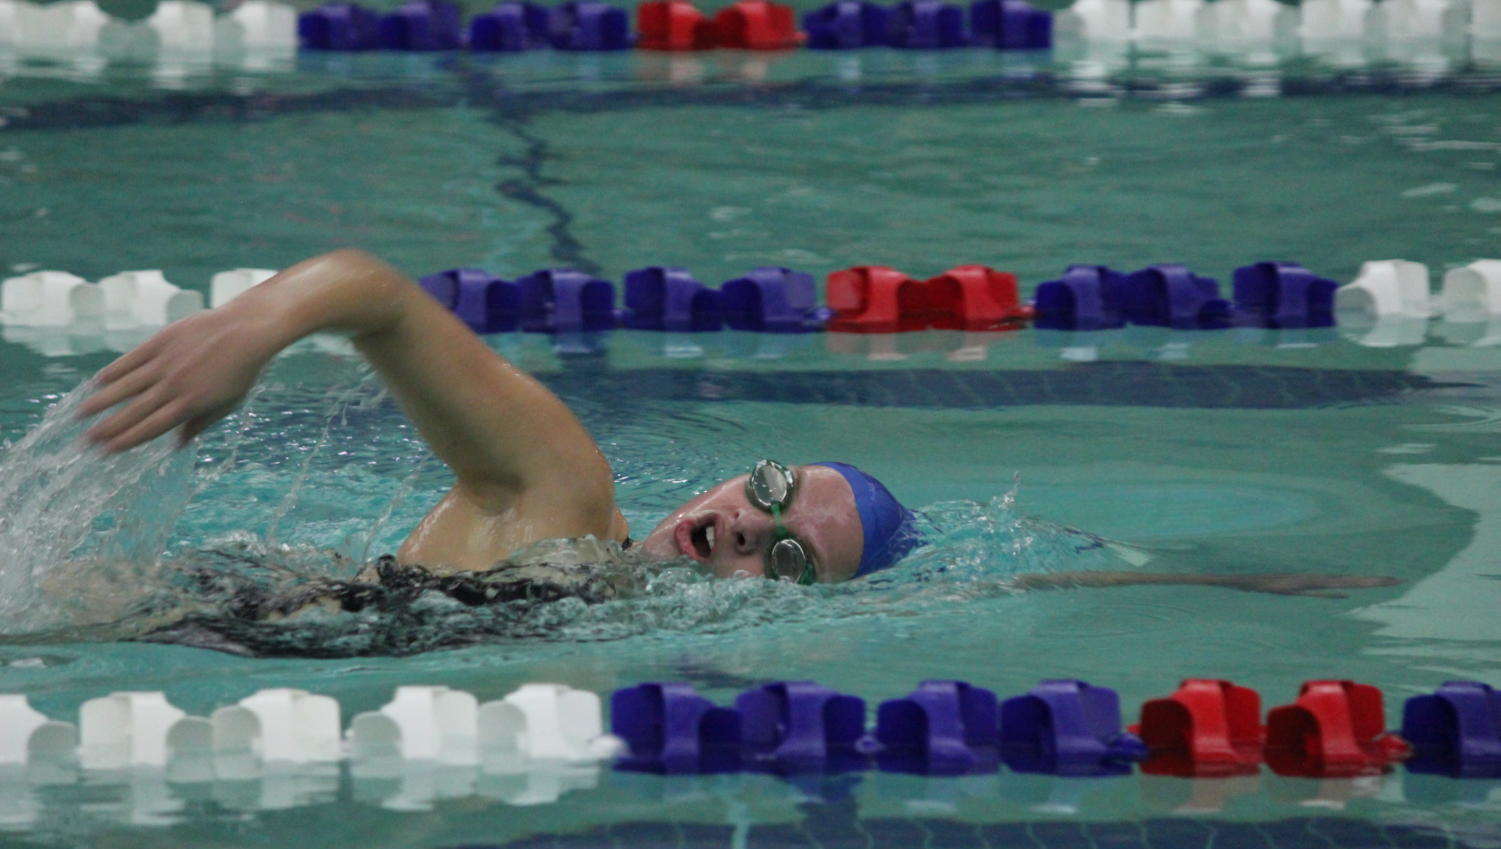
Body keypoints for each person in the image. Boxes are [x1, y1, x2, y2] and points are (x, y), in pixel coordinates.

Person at [78, 249, 1396, 601]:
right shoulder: (563, 499)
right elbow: (369, 288)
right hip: (155, 602)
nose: (731, 529)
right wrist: (253, 327)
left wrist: (1206, 579)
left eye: (782, 557)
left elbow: (962, 578)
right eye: (762, 494)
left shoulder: (608, 597)